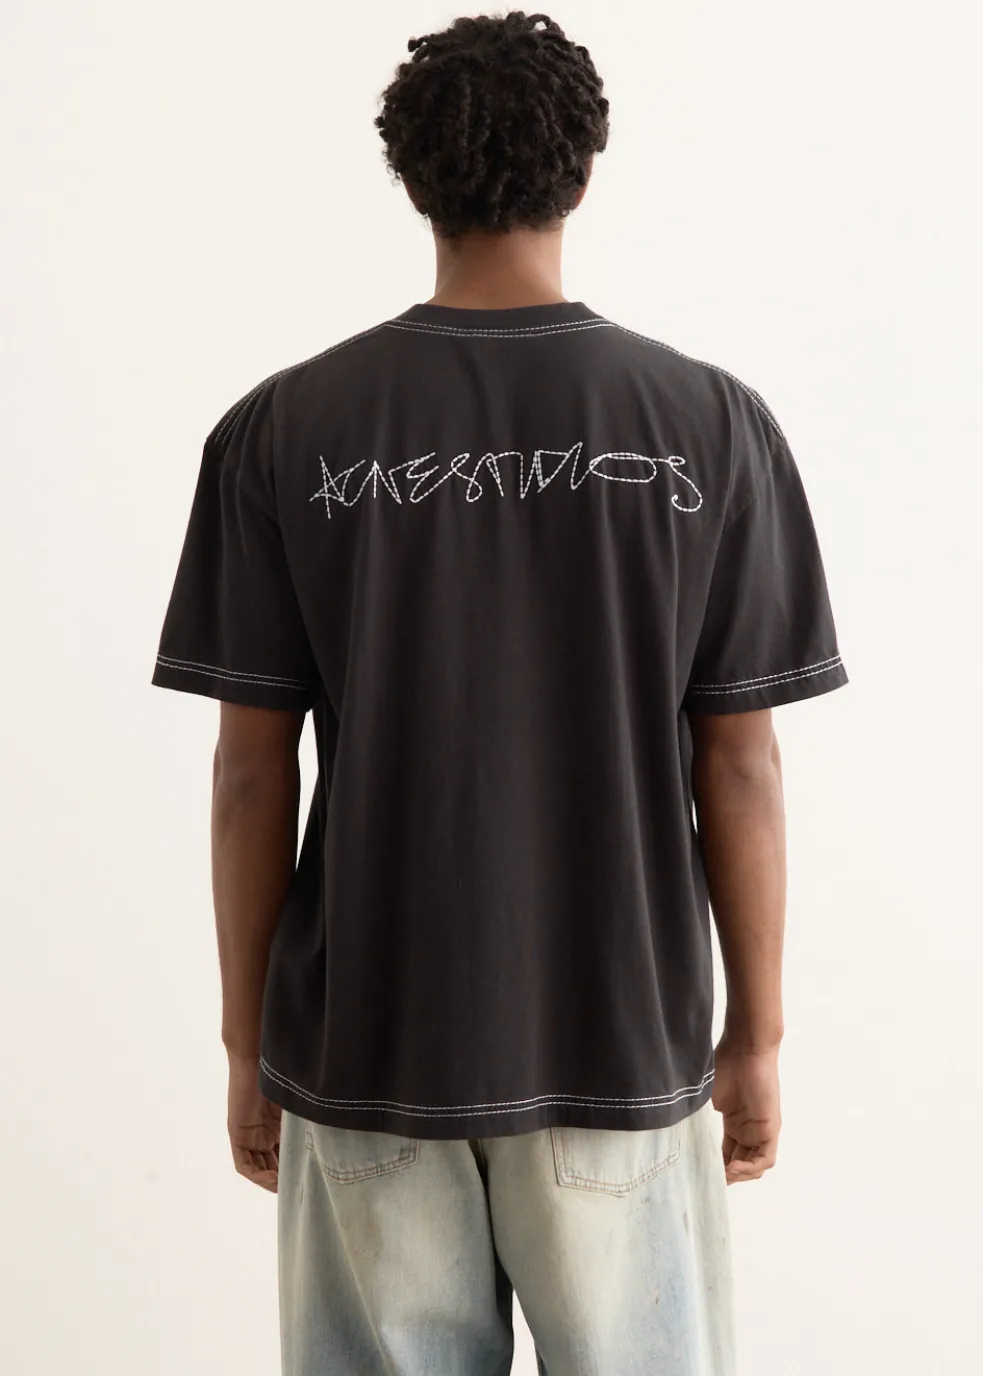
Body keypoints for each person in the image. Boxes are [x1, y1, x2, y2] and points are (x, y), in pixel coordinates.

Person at [152, 11, 847, 1374]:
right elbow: (741, 763)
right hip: (619, 1042)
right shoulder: (710, 426)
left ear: (410, 177)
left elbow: (249, 773)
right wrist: (756, 1035)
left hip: (363, 1044)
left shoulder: (283, 430)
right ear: (584, 167)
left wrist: (246, 1043)